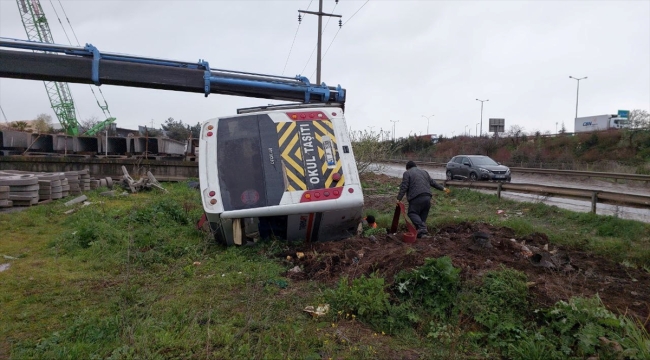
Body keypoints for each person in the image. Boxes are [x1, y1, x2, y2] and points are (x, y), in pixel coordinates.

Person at [396, 161, 450, 238]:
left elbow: (404, 187)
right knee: (421, 220)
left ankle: (422, 228)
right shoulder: (424, 172)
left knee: (412, 213)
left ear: (407, 168)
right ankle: (422, 235)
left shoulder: (407, 173)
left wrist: (398, 199)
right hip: (427, 197)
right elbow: (433, 183)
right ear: (415, 166)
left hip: (416, 197)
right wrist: (443, 189)